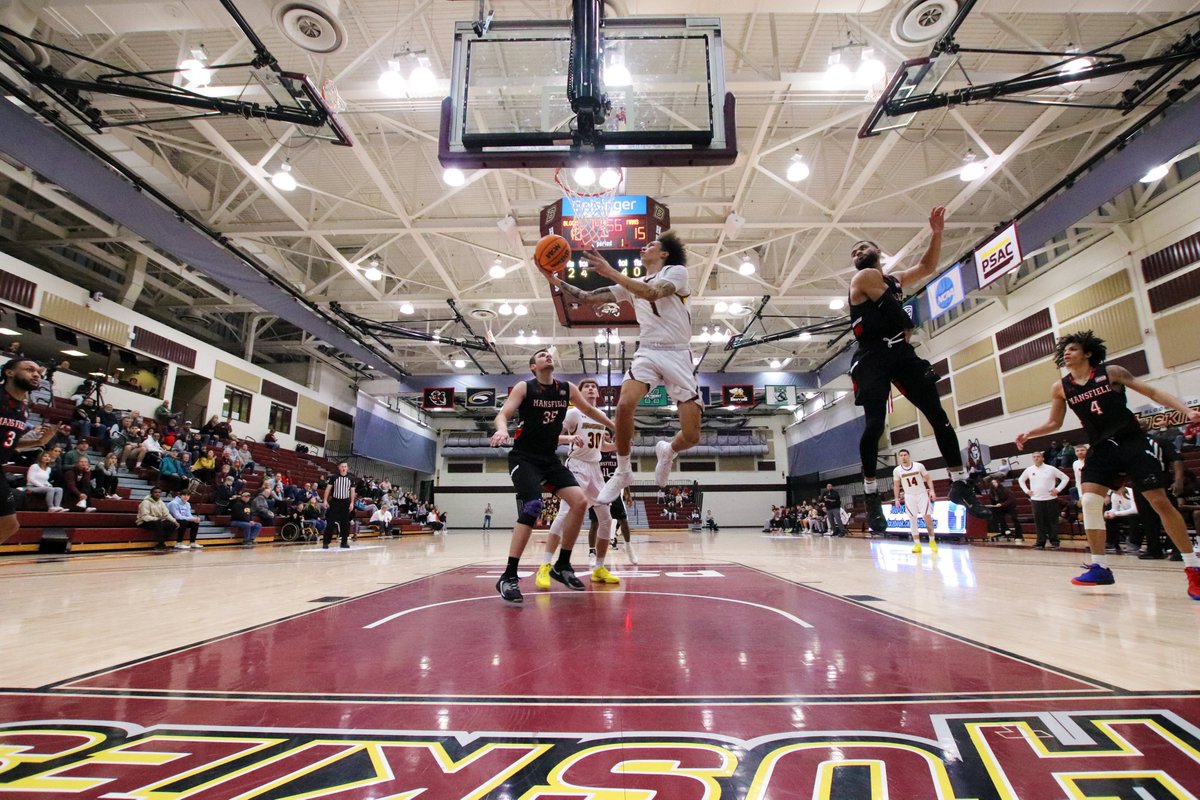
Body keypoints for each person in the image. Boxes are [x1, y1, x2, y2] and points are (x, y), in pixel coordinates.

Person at [1016, 330, 1200, 598]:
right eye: (1064, 350)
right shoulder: (1061, 388)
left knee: (1159, 502)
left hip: (1131, 441)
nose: (1067, 353)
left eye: (1073, 349)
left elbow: (1152, 391)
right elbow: (1055, 423)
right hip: (1101, 447)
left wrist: (1186, 411)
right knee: (1090, 501)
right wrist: (1030, 433)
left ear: (1088, 353)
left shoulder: (1111, 372)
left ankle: (1193, 569)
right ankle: (1100, 567)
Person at [845, 207, 988, 531]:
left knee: (938, 416)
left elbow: (927, 267)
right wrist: (908, 324)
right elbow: (895, 312)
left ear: (877, 252)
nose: (856, 253)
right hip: (872, 355)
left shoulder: (891, 278)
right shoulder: (863, 277)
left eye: (861, 248)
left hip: (900, 353)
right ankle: (870, 494)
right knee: (875, 424)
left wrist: (936, 233)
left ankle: (960, 482)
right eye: (853, 252)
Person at [548, 232, 701, 502]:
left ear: (664, 254)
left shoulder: (676, 272)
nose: (645, 247)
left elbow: (652, 293)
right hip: (648, 351)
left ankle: (668, 450)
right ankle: (622, 470)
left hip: (678, 354)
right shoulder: (632, 284)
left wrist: (611, 272)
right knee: (623, 404)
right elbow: (587, 297)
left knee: (691, 436)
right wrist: (555, 280)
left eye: (651, 244)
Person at [490, 349, 614, 603]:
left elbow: (590, 411)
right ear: (533, 366)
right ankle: (509, 575)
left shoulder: (567, 389)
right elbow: (503, 414)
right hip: (524, 457)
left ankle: (562, 565)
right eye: (541, 355)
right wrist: (502, 430)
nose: (547, 356)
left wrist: (613, 425)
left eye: (548, 353)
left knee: (579, 502)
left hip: (549, 459)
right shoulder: (525, 387)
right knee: (533, 505)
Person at [535, 378, 621, 589]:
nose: (591, 389)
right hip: (576, 466)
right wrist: (569, 439)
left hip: (595, 469)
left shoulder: (601, 418)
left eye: (594, 387)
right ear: (580, 393)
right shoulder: (573, 413)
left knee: (607, 520)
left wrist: (619, 444)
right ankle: (545, 565)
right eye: (587, 387)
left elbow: (601, 446)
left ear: (598, 394)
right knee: (564, 515)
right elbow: (553, 436)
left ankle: (599, 568)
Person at [1018, 450, 1071, 550]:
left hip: (1050, 498)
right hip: (1036, 499)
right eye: (1034, 457)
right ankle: (1040, 542)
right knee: (1039, 521)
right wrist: (1026, 491)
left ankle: (1054, 541)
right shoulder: (1029, 469)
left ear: (1043, 458)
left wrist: (1057, 489)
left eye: (1038, 456)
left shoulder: (1051, 468)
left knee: (1052, 521)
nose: (1036, 458)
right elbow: (1021, 480)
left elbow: (1065, 478)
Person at [892, 449, 937, 553]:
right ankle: (917, 544)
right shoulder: (897, 470)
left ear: (909, 456)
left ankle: (932, 541)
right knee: (912, 520)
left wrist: (932, 491)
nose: (903, 457)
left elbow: (928, 478)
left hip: (922, 494)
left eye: (905, 455)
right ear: (899, 457)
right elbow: (896, 485)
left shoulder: (919, 466)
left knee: (927, 518)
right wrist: (896, 498)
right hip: (909, 496)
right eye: (901, 455)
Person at [322, 461, 355, 549]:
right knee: (330, 522)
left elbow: (352, 492)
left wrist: (352, 503)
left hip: (345, 502)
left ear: (347, 468)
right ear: (339, 468)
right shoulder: (334, 477)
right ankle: (326, 542)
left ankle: (344, 542)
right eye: (342, 466)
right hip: (335, 502)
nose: (344, 468)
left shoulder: (351, 478)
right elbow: (328, 489)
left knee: (345, 523)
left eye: (345, 466)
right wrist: (325, 500)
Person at [136, 486, 177, 553]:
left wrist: (174, 521)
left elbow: (166, 513)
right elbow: (145, 517)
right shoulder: (145, 502)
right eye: (155, 492)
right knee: (159, 523)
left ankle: (160, 543)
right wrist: (157, 519)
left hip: (157, 521)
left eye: (159, 492)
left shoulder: (161, 502)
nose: (157, 494)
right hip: (143, 522)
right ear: (151, 493)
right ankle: (161, 545)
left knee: (172, 525)